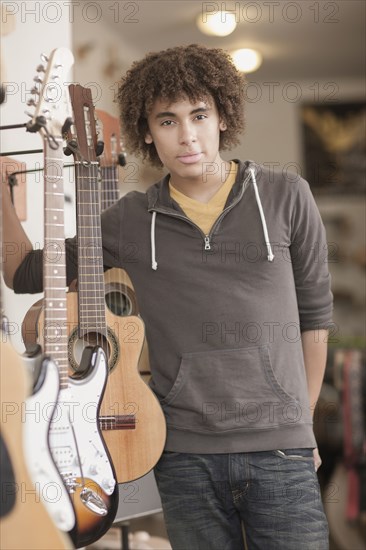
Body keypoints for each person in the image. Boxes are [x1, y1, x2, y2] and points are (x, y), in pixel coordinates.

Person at [2, 44, 332, 549]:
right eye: (167, 121)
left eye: (199, 115)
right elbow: (26, 270)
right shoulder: (129, 220)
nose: (187, 136)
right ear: (147, 131)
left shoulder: (287, 195)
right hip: (182, 456)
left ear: (223, 116)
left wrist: (302, 425)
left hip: (282, 453)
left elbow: (315, 318)